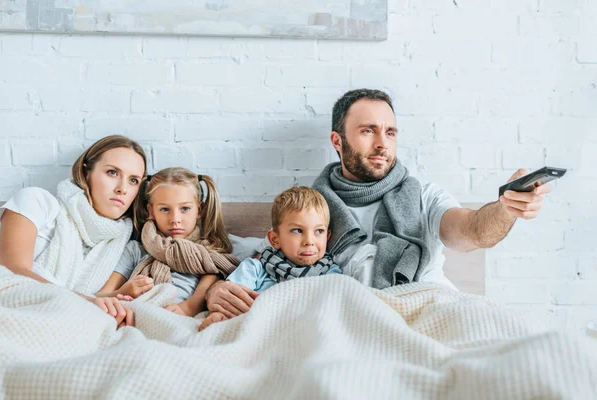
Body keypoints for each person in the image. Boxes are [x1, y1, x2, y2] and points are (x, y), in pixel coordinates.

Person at [204, 88, 551, 317]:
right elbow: (267, 259)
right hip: (352, 319)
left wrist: (505, 207)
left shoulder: (423, 195)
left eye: (390, 132)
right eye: (368, 131)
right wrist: (217, 289)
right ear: (337, 141)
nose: (382, 143)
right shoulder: (310, 209)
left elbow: (472, 231)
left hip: (426, 305)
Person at [0, 135, 148, 328]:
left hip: (60, 323)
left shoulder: (120, 242)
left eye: (133, 180)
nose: (122, 189)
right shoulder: (37, 201)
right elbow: (14, 273)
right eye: (112, 172)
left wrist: (112, 298)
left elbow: (82, 295)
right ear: (86, 173)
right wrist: (88, 302)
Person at [97, 167, 241, 317]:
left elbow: (200, 298)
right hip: (141, 313)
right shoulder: (135, 249)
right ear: (151, 212)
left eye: (185, 208)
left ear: (199, 210)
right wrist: (123, 291)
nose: (175, 219)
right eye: (165, 209)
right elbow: (100, 296)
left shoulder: (208, 253)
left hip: (184, 319)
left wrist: (187, 308)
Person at [199, 186, 341, 330]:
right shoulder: (255, 269)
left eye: (319, 231)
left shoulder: (332, 273)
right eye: (298, 230)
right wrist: (218, 316)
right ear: (275, 239)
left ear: (327, 237)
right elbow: (231, 300)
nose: (309, 241)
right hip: (262, 328)